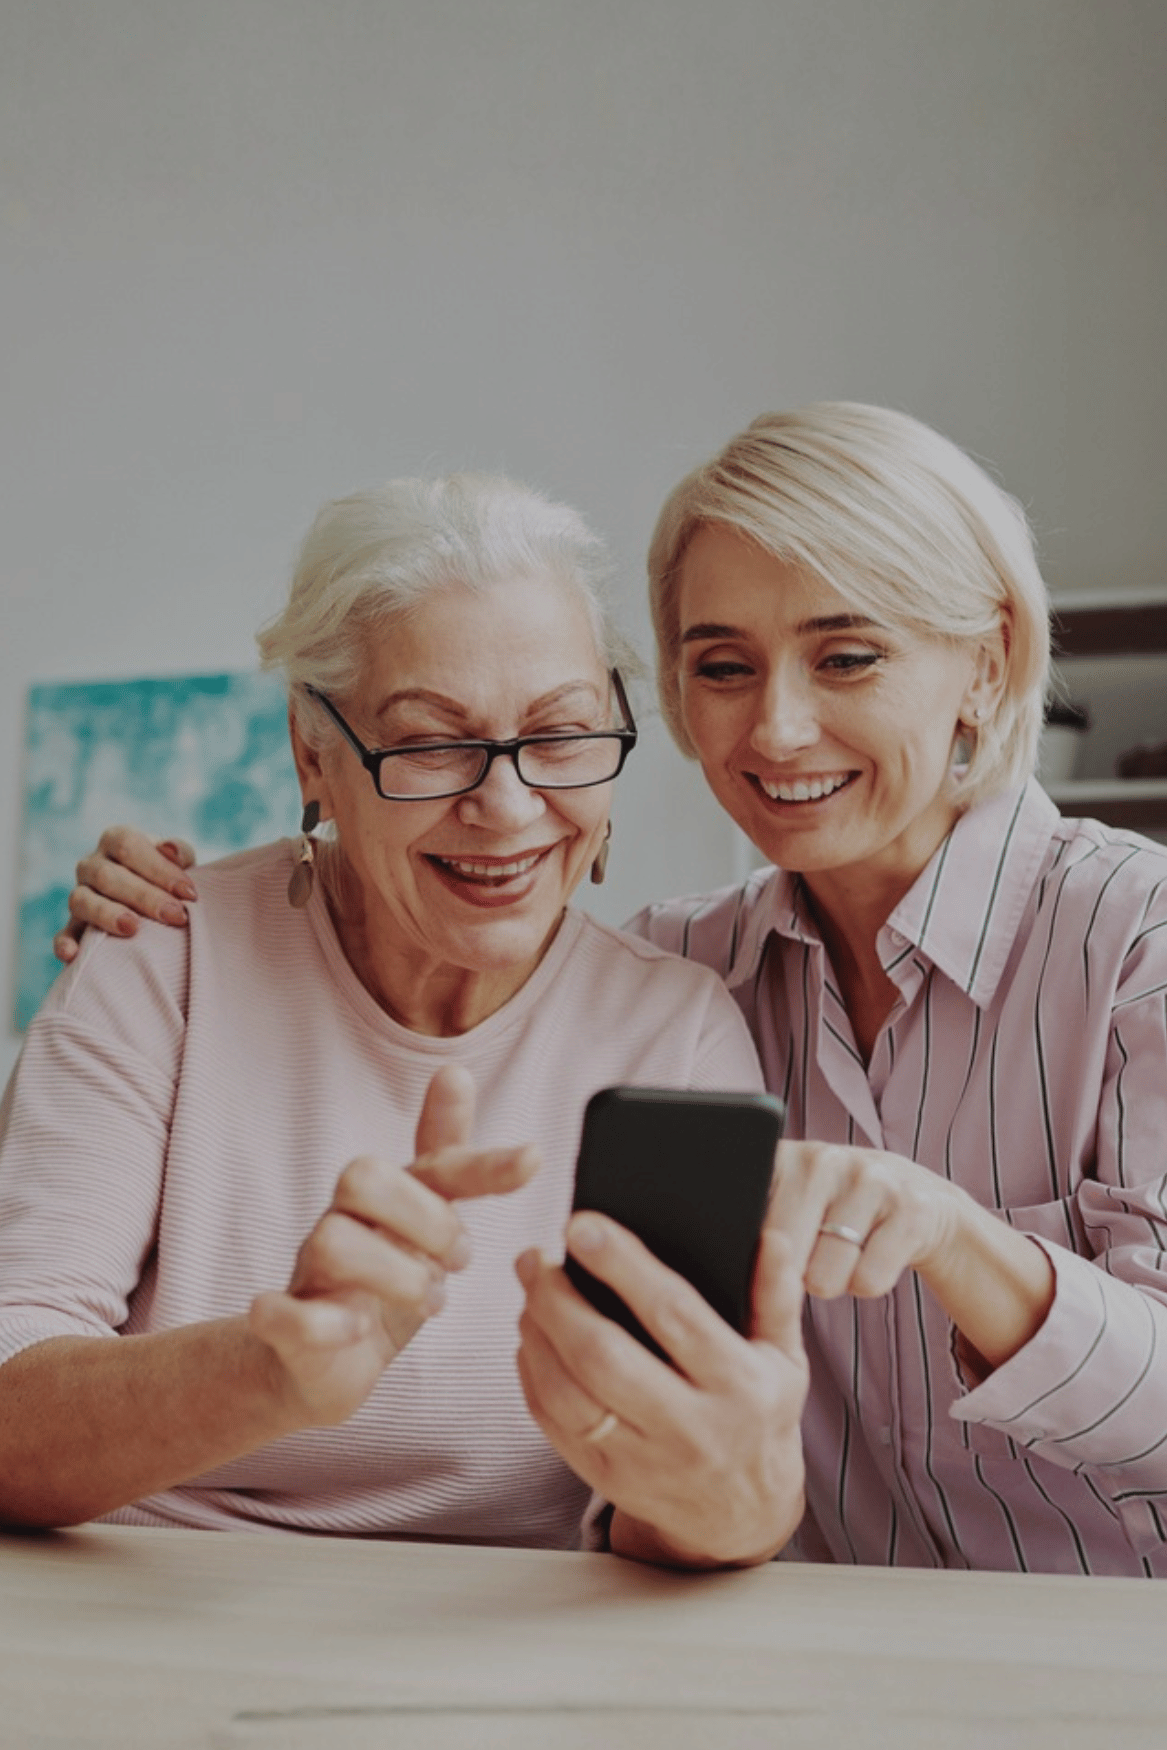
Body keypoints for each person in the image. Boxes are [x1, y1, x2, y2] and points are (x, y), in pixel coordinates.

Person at [69, 404, 1167, 1578]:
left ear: (987, 664)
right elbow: (422, 855)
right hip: (819, 1640)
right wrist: (169, 913)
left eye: (847, 656)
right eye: (722, 667)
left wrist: (957, 1236)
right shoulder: (688, 973)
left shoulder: (1137, 937)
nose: (778, 726)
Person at [0, 472, 808, 1567]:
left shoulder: (672, 1026)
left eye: (562, 734)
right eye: (430, 744)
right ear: (312, 754)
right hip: (155, 1616)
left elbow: (676, 1500)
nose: (508, 808)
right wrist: (267, 1368)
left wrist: (723, 1491)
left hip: (511, 1655)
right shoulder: (162, 959)